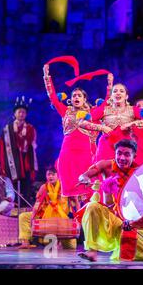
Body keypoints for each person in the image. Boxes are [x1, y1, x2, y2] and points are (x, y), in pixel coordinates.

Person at [76, 139, 143, 262]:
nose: (122, 157)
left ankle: (124, 244)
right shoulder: (106, 166)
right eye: (119, 153)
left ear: (134, 156)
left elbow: (141, 204)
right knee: (92, 206)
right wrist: (84, 179)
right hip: (108, 216)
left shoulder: (138, 174)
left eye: (127, 154)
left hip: (126, 221)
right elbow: (84, 175)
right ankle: (92, 251)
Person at [43, 64, 112, 198]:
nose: (76, 98)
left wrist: (109, 84)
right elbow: (52, 97)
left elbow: (106, 104)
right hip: (67, 152)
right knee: (70, 188)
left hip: (85, 152)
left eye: (79, 96)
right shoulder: (66, 111)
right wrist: (46, 76)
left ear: (84, 99)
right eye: (74, 95)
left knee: (88, 187)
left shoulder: (92, 113)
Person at [79, 83, 143, 162]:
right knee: (105, 172)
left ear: (126, 96)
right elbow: (81, 122)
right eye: (115, 91)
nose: (118, 93)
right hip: (106, 149)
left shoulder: (134, 110)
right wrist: (102, 127)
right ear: (111, 96)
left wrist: (131, 124)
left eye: (121, 91)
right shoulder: (104, 110)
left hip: (126, 149)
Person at [17, 167, 76, 249]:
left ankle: (59, 242)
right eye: (48, 174)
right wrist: (33, 216)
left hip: (62, 219)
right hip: (45, 216)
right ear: (46, 176)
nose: (50, 177)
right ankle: (25, 242)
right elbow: (37, 203)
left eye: (53, 174)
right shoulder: (44, 188)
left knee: (71, 247)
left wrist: (78, 218)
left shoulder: (65, 186)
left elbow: (76, 201)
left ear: (58, 176)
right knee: (23, 216)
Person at [0, 96, 38, 204]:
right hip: (11, 163)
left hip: (25, 162)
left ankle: (25, 208)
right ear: (14, 114)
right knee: (12, 188)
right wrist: (2, 165)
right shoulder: (7, 129)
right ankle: (12, 208)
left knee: (26, 188)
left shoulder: (30, 128)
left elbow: (31, 145)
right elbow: (1, 147)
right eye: (19, 112)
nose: (21, 114)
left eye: (23, 112)